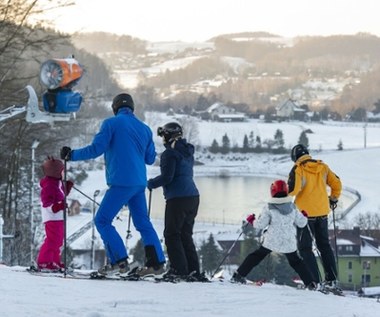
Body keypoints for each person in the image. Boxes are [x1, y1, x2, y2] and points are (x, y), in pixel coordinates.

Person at [60, 93, 165, 277]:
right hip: (139, 183)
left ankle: (119, 262)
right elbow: (150, 159)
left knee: (102, 220)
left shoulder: (110, 124)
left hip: (121, 182)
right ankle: (156, 264)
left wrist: (71, 155)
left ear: (115, 108)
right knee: (143, 223)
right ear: (132, 108)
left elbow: (96, 149)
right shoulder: (145, 129)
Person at [147, 122, 207, 282]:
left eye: (163, 136)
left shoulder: (169, 154)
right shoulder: (187, 152)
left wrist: (151, 183)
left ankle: (179, 270)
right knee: (185, 235)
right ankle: (193, 270)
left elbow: (168, 177)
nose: (162, 140)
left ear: (167, 136)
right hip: (193, 197)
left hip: (178, 198)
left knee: (171, 234)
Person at [231, 179, 317, 290]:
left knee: (255, 257)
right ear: (286, 190)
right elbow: (302, 223)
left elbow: (260, 225)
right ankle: (310, 284)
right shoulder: (292, 207)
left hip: (271, 241)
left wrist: (252, 220)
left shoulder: (269, 207)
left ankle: (238, 275)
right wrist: (304, 215)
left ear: (272, 191)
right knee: (297, 262)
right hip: (288, 242)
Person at [288, 144, 342, 289]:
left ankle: (313, 282)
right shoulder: (322, 167)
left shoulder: (298, 169)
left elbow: (292, 190)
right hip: (323, 213)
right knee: (324, 246)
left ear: (294, 157)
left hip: (304, 216)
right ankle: (332, 280)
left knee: (305, 248)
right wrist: (333, 198)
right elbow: (337, 183)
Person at [36, 156, 73, 271]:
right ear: (56, 172)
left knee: (58, 240)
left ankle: (54, 261)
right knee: (52, 240)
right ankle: (44, 262)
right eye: (63, 171)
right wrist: (59, 206)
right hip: (52, 217)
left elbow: (60, 195)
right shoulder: (49, 186)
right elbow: (47, 204)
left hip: (58, 217)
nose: (64, 173)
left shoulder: (56, 183)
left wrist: (67, 187)